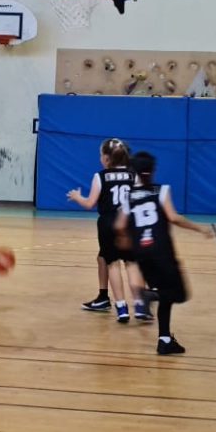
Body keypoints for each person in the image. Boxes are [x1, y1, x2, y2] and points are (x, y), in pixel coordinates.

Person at [118, 152, 211, 355]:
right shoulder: (161, 190)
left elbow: (120, 226)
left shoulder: (129, 196)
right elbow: (173, 217)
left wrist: (127, 241)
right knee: (180, 294)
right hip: (161, 250)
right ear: (152, 171)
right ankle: (149, 295)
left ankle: (165, 340)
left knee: (165, 295)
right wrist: (199, 228)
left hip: (142, 253)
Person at [67, 137, 148, 323]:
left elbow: (90, 203)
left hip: (108, 223)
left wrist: (77, 197)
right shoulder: (134, 175)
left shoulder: (101, 176)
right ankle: (140, 306)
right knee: (132, 264)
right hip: (129, 221)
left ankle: (121, 308)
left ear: (106, 158)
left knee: (112, 264)